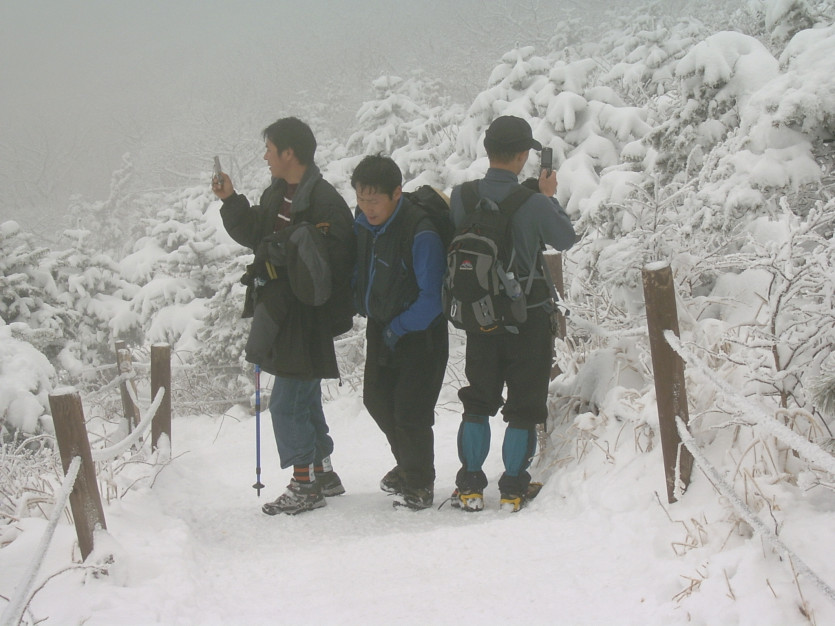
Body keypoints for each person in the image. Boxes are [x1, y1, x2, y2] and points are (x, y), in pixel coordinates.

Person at [212, 117, 355, 515]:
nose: (266, 157)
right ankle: (323, 473)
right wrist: (230, 199)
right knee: (304, 396)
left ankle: (304, 486)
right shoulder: (279, 192)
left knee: (287, 402)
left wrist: (285, 256)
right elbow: (257, 232)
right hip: (283, 309)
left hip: (306, 315)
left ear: (290, 153)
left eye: (270, 150)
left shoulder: (325, 202)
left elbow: (337, 266)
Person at [448, 115, 576, 512]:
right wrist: (548, 196)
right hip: (528, 317)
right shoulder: (534, 202)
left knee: (478, 398)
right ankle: (513, 488)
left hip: (480, 315)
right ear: (522, 156)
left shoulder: (462, 196)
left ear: (487, 150)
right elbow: (564, 238)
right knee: (523, 404)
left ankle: (470, 486)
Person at [351, 155, 449, 510]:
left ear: (396, 193)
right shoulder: (364, 223)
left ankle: (419, 484)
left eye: (374, 200)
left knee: (411, 412)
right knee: (377, 400)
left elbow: (433, 298)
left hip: (421, 334)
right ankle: (409, 464)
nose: (367, 207)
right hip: (382, 326)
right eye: (361, 199)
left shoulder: (420, 231)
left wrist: (400, 326)